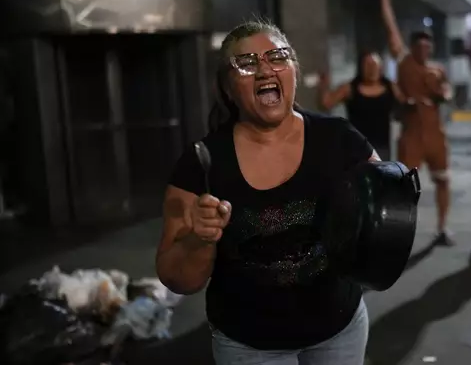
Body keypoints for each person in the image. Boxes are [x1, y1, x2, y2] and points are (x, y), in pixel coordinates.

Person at [156, 20, 379, 365]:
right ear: (228, 89)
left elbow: (384, 218)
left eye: (277, 56)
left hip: (339, 328)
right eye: (246, 63)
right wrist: (199, 239)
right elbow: (177, 279)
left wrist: (387, 200)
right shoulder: (202, 162)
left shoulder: (341, 140)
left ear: (292, 71)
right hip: (249, 344)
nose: (264, 69)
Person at [373, 0, 454, 246]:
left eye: (427, 46)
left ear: (431, 48)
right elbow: (391, 31)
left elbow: (448, 91)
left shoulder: (437, 71)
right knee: (406, 187)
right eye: (419, 45)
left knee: (443, 180)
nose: (423, 49)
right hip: (412, 134)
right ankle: (402, 233)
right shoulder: (406, 63)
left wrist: (443, 95)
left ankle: (442, 228)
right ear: (414, 47)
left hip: (434, 134)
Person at [318, 51, 407, 160]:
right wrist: (323, 85)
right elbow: (326, 103)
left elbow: (406, 106)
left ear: (380, 68)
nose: (371, 69)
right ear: (361, 68)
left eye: (374, 65)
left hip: (382, 148)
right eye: (367, 65)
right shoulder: (350, 88)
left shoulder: (390, 87)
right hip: (356, 147)